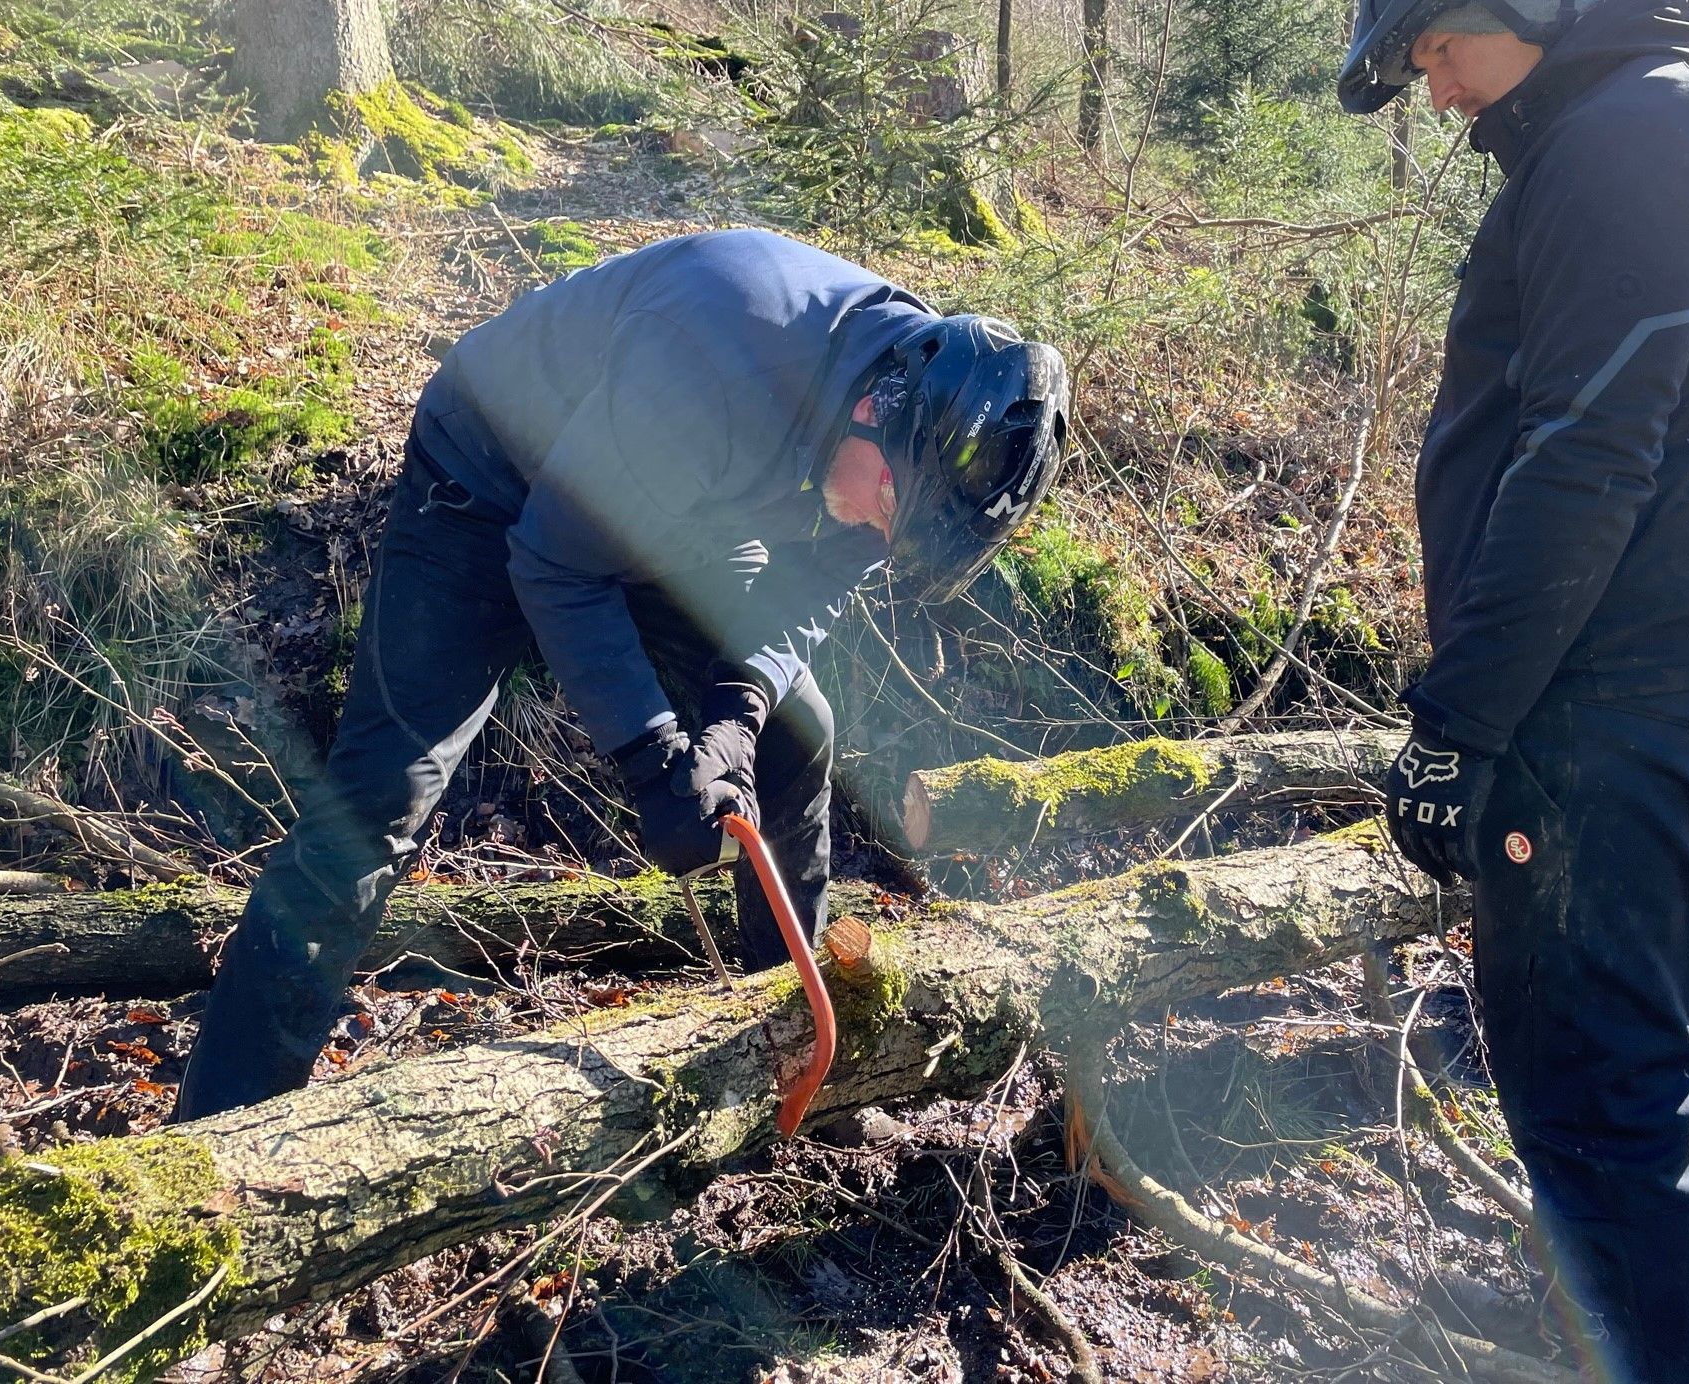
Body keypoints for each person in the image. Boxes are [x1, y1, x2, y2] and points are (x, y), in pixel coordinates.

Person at [173, 227, 1069, 1123]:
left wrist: (734, 717)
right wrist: (652, 759)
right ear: (881, 410)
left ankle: (794, 1063)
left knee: (798, 734)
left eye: (896, 535)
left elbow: (809, 586)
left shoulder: (907, 464)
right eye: (885, 512)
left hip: (689, 500)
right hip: (490, 481)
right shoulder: (727, 351)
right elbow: (557, 564)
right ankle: (219, 1131)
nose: (877, 535)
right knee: (378, 803)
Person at [1337, 0, 1689, 1380]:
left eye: (1437, 43)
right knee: (1593, 1087)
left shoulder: (1634, 135)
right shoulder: (1631, 126)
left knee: (1599, 1102)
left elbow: (1589, 455)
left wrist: (1459, 724)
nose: (1432, 83)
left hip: (1608, 700)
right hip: (1613, 687)